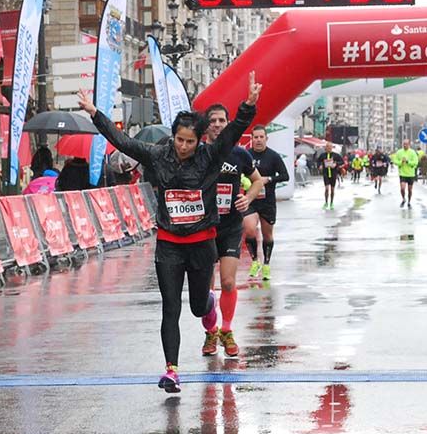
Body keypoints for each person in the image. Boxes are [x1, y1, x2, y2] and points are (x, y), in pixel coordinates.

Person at [77, 72, 261, 394]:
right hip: (170, 243)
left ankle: (211, 308)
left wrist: (247, 106)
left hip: (202, 244)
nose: (184, 147)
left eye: (190, 141)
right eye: (179, 140)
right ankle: (172, 370)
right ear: (173, 136)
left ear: (199, 140)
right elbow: (124, 142)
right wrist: (96, 114)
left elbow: (232, 134)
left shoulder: (209, 156)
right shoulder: (158, 155)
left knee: (197, 306)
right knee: (171, 307)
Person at [201, 104, 265, 358]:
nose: (217, 124)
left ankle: (226, 330)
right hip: (204, 226)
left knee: (228, 281)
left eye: (222, 120)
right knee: (206, 286)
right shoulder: (198, 152)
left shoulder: (239, 154)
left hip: (229, 226)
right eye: (213, 120)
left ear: (228, 124)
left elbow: (258, 180)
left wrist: (248, 198)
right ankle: (210, 331)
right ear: (206, 126)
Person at [243, 124, 289, 282]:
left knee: (267, 234)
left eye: (261, 137)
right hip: (250, 200)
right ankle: (255, 261)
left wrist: (268, 179)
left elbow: (285, 176)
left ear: (266, 139)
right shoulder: (245, 155)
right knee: (249, 229)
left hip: (267, 200)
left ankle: (267, 263)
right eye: (255, 137)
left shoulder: (273, 156)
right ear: (252, 139)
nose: (258, 140)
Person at [392, 139, 419, 208]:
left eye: (406, 144)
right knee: (402, 188)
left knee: (410, 190)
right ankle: (403, 199)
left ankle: (409, 201)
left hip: (410, 174)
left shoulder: (412, 152)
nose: (405, 145)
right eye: (404, 144)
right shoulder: (399, 152)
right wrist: (400, 162)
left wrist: (407, 162)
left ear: (409, 145)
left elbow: (415, 162)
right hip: (402, 173)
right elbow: (395, 160)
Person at [318, 143, 343, 210]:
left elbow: (342, 161)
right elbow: (318, 161)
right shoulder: (322, 155)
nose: (328, 148)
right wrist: (320, 166)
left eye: (330, 147)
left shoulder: (335, 155)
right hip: (326, 173)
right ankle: (326, 202)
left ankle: (331, 203)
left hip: (333, 173)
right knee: (326, 188)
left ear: (332, 148)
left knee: (332, 189)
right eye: (327, 147)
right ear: (325, 148)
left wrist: (336, 164)